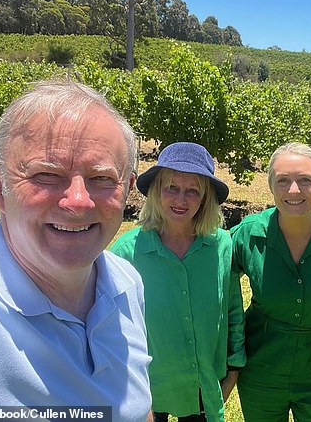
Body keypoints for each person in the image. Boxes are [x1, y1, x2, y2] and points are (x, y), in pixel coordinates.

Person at [0, 80, 151, 421]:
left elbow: (136, 405)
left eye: (101, 178)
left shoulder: (126, 283)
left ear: (127, 189)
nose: (78, 201)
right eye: (46, 175)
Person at [110, 142, 245, 422]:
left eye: (192, 190)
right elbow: (110, 328)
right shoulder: (126, 252)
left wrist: (234, 368)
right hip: (147, 391)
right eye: (171, 187)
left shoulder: (221, 246)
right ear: (157, 191)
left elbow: (232, 309)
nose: (180, 200)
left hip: (203, 387)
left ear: (205, 197)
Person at [230, 142, 311, 422]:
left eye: (305, 180)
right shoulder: (247, 235)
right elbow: (216, 286)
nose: (293, 191)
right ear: (270, 185)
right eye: (283, 181)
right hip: (260, 366)